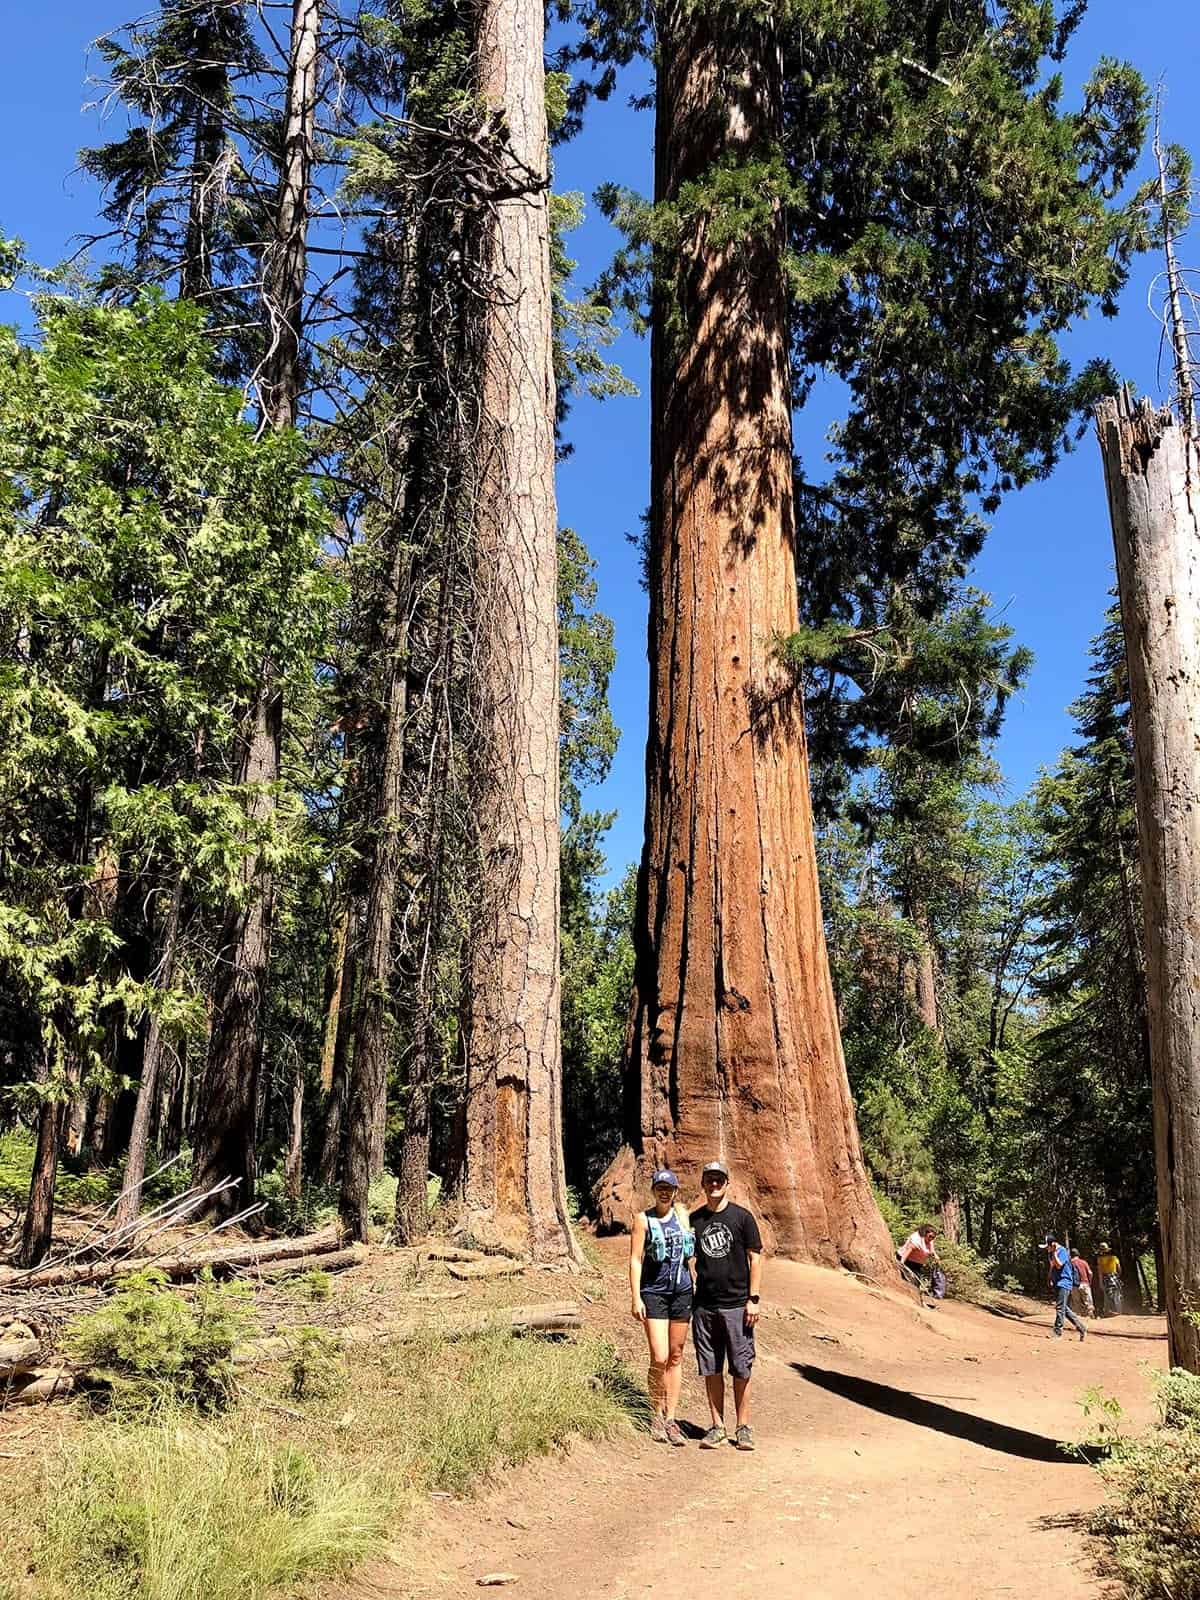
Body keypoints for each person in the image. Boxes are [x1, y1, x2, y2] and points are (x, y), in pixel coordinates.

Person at [690, 1160, 763, 1452]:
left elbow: (755, 1258)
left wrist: (753, 1299)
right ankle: (717, 1426)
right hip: (704, 1306)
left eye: (719, 1179)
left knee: (741, 1367)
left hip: (737, 1305)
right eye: (709, 1179)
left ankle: (743, 1427)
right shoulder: (695, 1221)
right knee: (710, 1367)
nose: (714, 1184)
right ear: (703, 1184)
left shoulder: (742, 1218)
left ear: (727, 1183)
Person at [629, 1169, 695, 1445]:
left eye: (669, 1188)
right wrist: (636, 1297)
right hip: (654, 1293)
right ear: (653, 1190)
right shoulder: (643, 1220)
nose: (664, 1192)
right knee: (659, 1356)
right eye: (660, 1187)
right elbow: (635, 1260)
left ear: (675, 1191)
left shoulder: (682, 1216)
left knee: (676, 1356)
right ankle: (655, 1413)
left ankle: (671, 1419)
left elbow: (690, 1257)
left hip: (681, 1292)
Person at [1042, 1232, 1087, 1341]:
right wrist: (1050, 1278)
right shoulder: (1051, 1253)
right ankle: (1081, 1327)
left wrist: (1054, 1253)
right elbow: (1052, 1266)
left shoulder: (1062, 1251)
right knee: (1064, 1308)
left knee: (1060, 1308)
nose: (1046, 1248)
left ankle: (1057, 1332)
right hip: (1057, 1282)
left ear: (1052, 1244)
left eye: (1047, 1246)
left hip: (1064, 1282)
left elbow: (1059, 1264)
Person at [897, 1224, 939, 1290]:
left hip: (918, 1264)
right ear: (925, 1233)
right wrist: (901, 1264)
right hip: (907, 1261)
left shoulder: (930, 1239)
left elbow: (931, 1249)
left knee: (916, 1284)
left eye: (933, 1237)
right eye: (930, 1236)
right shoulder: (916, 1240)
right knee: (907, 1282)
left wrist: (935, 1255)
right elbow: (906, 1253)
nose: (931, 1239)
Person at [1096, 1242, 1123, 1315]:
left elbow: (1100, 1272)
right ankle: (1119, 1311)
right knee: (1117, 1295)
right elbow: (1119, 1268)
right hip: (1114, 1277)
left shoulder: (1099, 1259)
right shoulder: (1114, 1258)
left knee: (1106, 1296)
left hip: (1105, 1278)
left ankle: (1107, 1311)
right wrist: (1117, 1276)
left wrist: (1100, 1282)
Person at [1070, 1248, 1094, 1318]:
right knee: (1088, 1303)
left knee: (1076, 1304)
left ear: (1071, 1255)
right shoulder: (1084, 1262)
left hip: (1074, 1285)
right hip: (1084, 1283)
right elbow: (1090, 1273)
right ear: (1078, 1254)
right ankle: (1090, 1318)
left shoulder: (1069, 1263)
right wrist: (1089, 1282)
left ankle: (1078, 1320)